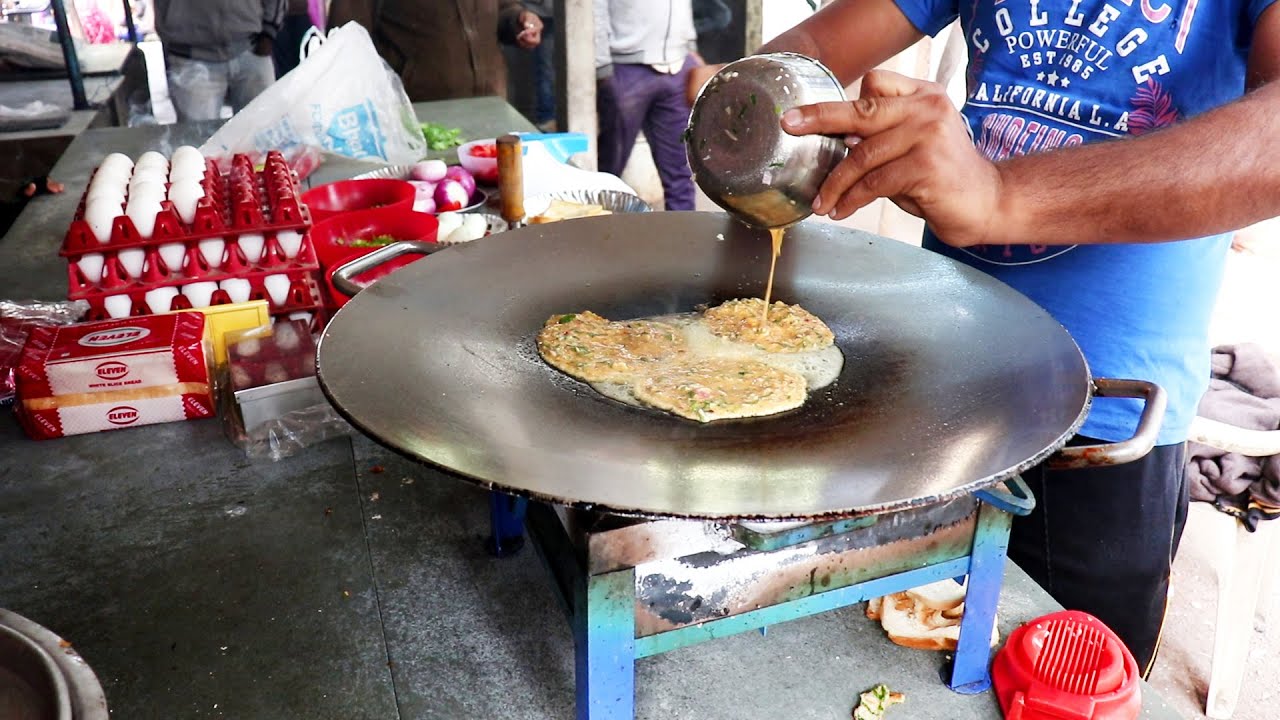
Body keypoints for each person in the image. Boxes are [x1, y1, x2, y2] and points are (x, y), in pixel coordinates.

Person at [712, 0, 1280, 676]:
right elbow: (812, 46)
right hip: (943, 386)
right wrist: (750, 117)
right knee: (887, 665)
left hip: (1105, 424)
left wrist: (998, 195)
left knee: (1057, 684)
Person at [326, 0, 543, 103]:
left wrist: (518, 21)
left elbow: (502, 8)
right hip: (419, 115)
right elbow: (344, 39)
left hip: (491, 107)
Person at [595, 0, 700, 211]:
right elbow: (595, 8)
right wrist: (602, 67)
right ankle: (593, 236)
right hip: (625, 68)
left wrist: (689, 47)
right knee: (608, 171)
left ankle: (683, 240)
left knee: (680, 171)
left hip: (677, 66)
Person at [154, 0, 286, 121]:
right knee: (198, 139)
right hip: (190, 55)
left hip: (251, 46)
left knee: (262, 129)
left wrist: (269, 31)